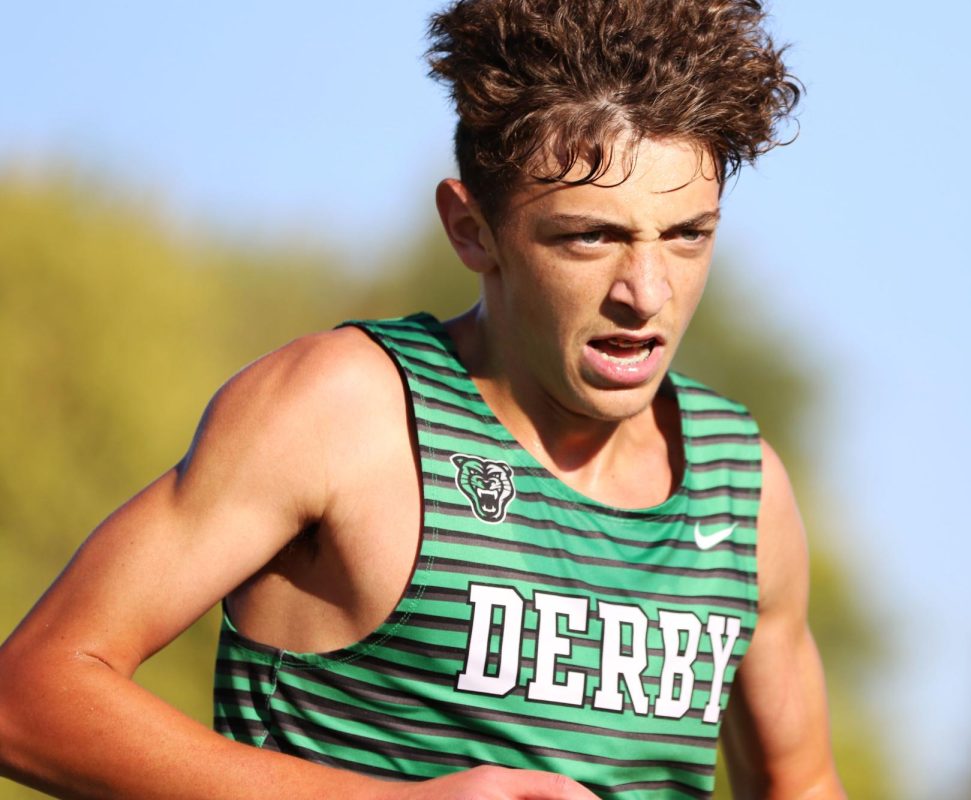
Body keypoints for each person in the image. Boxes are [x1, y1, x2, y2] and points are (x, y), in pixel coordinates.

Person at [0, 1, 846, 797]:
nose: (648, 292)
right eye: (592, 235)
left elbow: (802, 786)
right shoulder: (343, 412)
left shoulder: (743, 489)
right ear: (471, 229)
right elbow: (29, 698)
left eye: (688, 235)